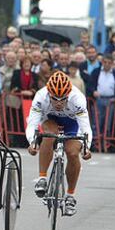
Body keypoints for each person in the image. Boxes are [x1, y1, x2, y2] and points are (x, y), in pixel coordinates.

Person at [26, 71, 92, 216]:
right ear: (48, 94)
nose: (58, 102)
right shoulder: (40, 96)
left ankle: (70, 196)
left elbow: (85, 127)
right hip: (50, 120)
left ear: (68, 95)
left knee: (73, 153)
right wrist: (32, 142)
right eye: (55, 99)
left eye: (63, 99)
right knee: (49, 135)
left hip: (73, 123)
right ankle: (42, 178)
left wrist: (87, 147)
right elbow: (32, 123)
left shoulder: (78, 98)